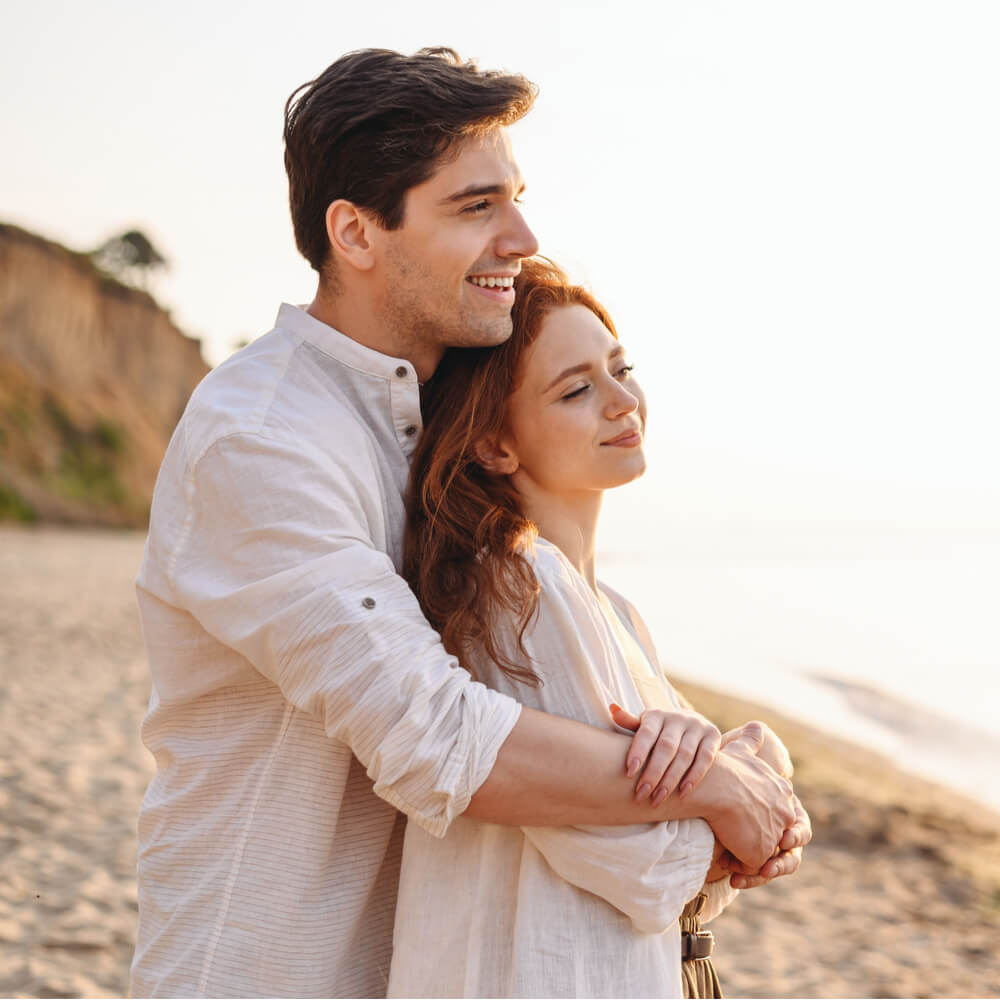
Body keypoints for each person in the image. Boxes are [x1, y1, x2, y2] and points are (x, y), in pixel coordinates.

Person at [130, 47, 808, 998]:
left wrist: (725, 755)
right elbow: (436, 734)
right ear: (357, 234)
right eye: (477, 205)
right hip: (273, 967)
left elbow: (564, 686)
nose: (523, 235)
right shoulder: (264, 436)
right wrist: (709, 785)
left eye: (517, 197)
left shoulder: (448, 417)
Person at [389, 257, 796, 999]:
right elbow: (643, 870)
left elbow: (681, 862)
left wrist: (744, 772)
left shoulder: (613, 609)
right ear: (494, 445)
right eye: (577, 389)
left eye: (620, 368)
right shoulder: (518, 585)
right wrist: (743, 793)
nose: (622, 401)